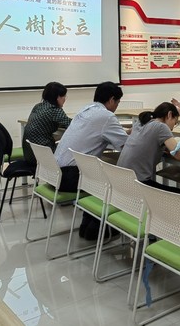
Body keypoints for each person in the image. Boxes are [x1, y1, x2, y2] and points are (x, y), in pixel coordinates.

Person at [54, 81, 130, 240]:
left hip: (55, 172)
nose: (117, 106)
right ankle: (97, 228)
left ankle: (88, 227)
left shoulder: (86, 109)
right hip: (70, 176)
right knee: (115, 180)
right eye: (117, 102)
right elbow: (126, 146)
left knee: (98, 175)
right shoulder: (107, 116)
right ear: (111, 100)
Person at [117, 102, 180, 193]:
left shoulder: (140, 123)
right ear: (169, 115)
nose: (172, 128)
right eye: (175, 122)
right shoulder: (162, 127)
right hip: (137, 185)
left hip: (120, 181)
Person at [22, 82, 71, 166]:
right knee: (71, 151)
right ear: (58, 97)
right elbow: (72, 125)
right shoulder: (54, 110)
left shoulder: (38, 106)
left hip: (29, 154)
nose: (65, 99)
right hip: (43, 156)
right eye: (64, 96)